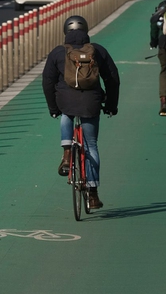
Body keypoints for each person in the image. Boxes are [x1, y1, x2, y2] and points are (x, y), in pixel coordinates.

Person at [42, 15, 120, 209]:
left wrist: (53, 108)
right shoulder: (98, 51)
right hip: (91, 103)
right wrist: (111, 104)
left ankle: (67, 153)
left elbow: (47, 82)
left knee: (66, 113)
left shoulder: (58, 52)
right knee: (91, 145)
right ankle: (93, 194)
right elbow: (113, 79)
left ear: (65, 31)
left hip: (65, 100)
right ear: (86, 31)